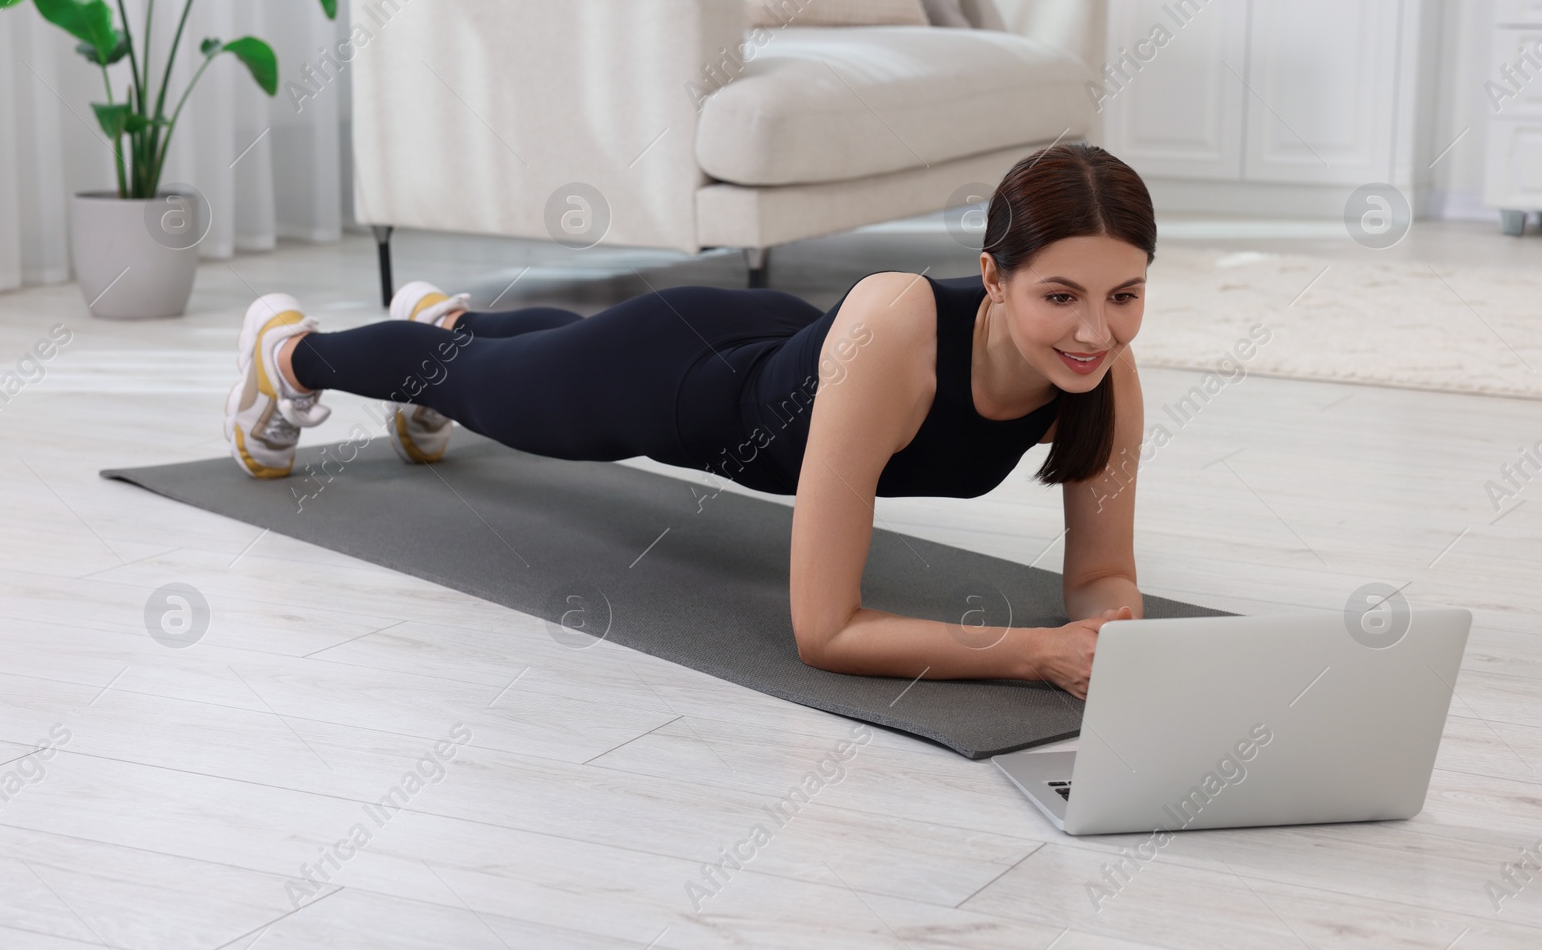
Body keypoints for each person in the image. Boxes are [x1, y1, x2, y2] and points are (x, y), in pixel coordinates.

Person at [224, 144, 1153, 698]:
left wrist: (1108, 635)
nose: (1094, 330)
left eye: (1124, 296)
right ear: (993, 277)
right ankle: (288, 353)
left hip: (779, 346)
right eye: (1060, 294)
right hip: (677, 389)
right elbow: (826, 631)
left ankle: (448, 324)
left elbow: (1104, 572)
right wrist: (1035, 655)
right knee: (490, 390)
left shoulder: (1102, 372)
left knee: (510, 356)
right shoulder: (902, 333)